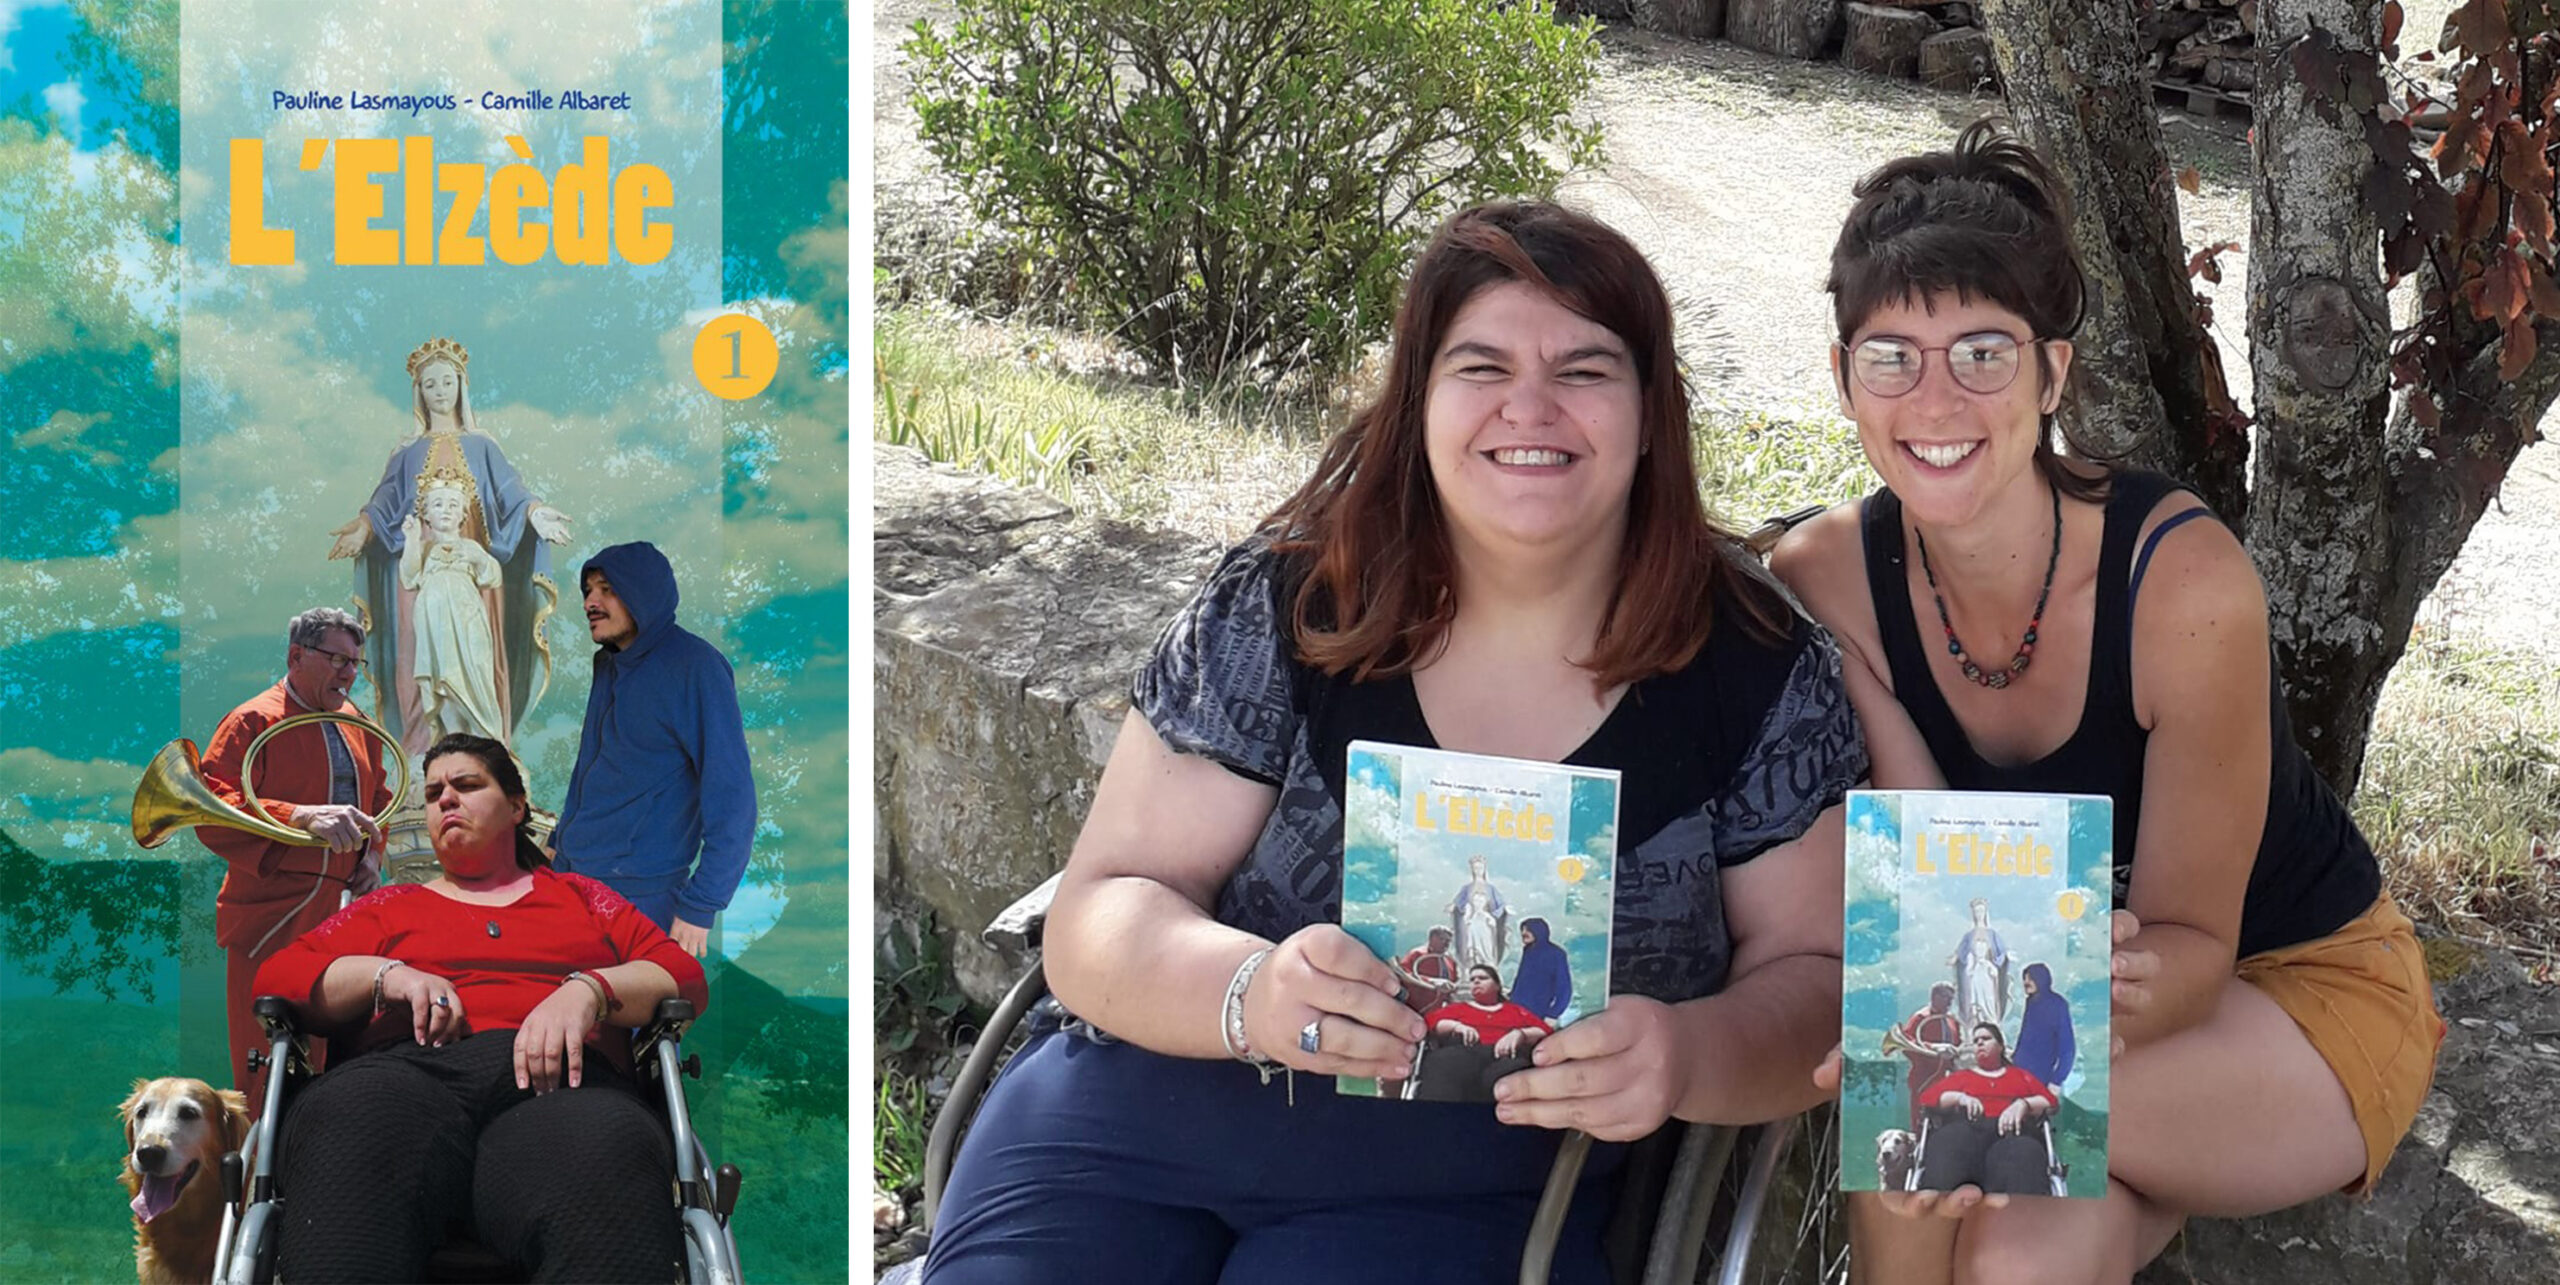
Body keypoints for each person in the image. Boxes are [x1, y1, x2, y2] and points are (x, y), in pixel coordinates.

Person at [924, 201, 1866, 1284]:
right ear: (1415, 401)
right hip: (1137, 1111)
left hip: (1468, 1190)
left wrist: (1689, 1055)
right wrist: (1252, 991)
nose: (1531, 405)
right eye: (1480, 366)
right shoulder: (1291, 600)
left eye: (1585, 369)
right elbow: (1100, 908)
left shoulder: (1748, 663)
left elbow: (1817, 977)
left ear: (1652, 411)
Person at [1774, 120, 2446, 1282]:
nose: (1934, 399)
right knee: (2010, 1240)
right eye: (1890, 355)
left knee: (1931, 1116)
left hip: (2278, 982)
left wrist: (1952, 1058)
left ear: (2053, 372)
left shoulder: (2181, 586)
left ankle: (2107, 1149)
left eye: (1983, 351)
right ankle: (2122, 1180)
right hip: (2044, 1017)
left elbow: (2188, 957)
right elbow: (1936, 865)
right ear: (1843, 378)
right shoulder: (1823, 579)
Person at [251, 732, 708, 1282]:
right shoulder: (388, 906)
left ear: (517, 807)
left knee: (604, 1143)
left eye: (466, 785)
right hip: (400, 1077)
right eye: (433, 791)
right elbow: (279, 978)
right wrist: (388, 975)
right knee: (353, 1118)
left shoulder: (583, 898)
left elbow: (680, 974)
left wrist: (587, 991)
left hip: (563, 1087)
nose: (445, 798)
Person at [329, 336, 571, 758]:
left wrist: (535, 513)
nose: (439, 392)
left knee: (475, 654)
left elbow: (511, 493)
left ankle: (483, 746)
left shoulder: (483, 446)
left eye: (446, 382)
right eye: (429, 385)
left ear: (461, 385)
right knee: (422, 651)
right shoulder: (406, 453)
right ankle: (423, 752)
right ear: (418, 394)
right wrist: (364, 527)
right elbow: (386, 501)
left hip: (472, 574)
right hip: (417, 571)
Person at [201, 607, 393, 1115]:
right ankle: (253, 1188)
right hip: (271, 915)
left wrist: (373, 855)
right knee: (265, 1067)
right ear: (295, 656)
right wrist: (300, 816)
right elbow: (211, 809)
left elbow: (380, 800)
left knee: (337, 1062)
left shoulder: (357, 722)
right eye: (336, 659)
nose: (349, 673)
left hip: (343, 913)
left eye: (356, 662)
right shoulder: (252, 720)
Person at [552, 541, 756, 956]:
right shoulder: (609, 664)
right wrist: (560, 839)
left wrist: (702, 904)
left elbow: (732, 798)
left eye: (606, 589)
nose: (591, 601)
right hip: (570, 880)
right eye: (588, 590)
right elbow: (595, 765)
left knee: (611, 1017)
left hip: (641, 897)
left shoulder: (695, 668)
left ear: (642, 592)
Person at [402, 473, 507, 741]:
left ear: (463, 514)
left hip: (467, 616)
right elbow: (409, 576)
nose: (445, 510)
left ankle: (487, 740)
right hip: (433, 622)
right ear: (426, 515)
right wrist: (412, 539)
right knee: (443, 678)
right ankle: (456, 740)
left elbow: (492, 576)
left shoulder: (470, 546)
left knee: (476, 672)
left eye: (452, 505)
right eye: (438, 504)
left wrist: (479, 559)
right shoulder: (423, 548)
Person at [1913, 1024, 2057, 1197]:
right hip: (1966, 1131)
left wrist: (2023, 1104)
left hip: (2012, 1134)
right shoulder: (1961, 1077)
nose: (1980, 1043)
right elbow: (1928, 1100)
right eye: (1976, 1041)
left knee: (2024, 1152)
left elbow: (2050, 1101)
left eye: (1986, 1039)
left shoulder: (2020, 1076)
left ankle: (2019, 1215)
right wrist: (1960, 1098)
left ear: (2000, 1046)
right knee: (1949, 1143)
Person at [1411, 965, 1557, 1102]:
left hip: (1505, 1057)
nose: (1476, 982)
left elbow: (1545, 1031)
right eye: (1473, 980)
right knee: (1443, 1062)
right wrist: (1456, 1026)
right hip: (1463, 1053)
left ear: (1497, 985)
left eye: (1482, 978)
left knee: (1514, 1074)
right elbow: (1430, 1024)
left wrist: (1520, 1034)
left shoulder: (1515, 1010)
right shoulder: (1458, 1008)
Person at [1884, 982, 1965, 1132]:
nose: (1949, 1002)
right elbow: (1908, 1045)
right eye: (1946, 997)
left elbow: (1958, 1044)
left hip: (1946, 1078)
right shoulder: (1920, 1017)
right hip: (1923, 1078)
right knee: (1920, 1120)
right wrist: (1933, 1047)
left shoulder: (1952, 1020)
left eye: (1951, 998)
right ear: (1934, 997)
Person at [2011, 962, 2076, 1090]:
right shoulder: (2031, 1002)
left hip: (2042, 1077)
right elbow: (2026, 1036)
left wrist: (2057, 1080)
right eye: (2024, 978)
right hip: (2019, 1073)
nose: (2026, 982)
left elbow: (2067, 1048)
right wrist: (2014, 1058)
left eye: (2030, 978)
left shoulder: (2057, 1004)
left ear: (2040, 979)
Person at [1949, 898, 2009, 1026]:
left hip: (1988, 974)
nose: (1979, 914)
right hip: (1974, 973)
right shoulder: (1969, 936)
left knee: (1988, 1001)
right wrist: (1957, 958)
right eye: (1976, 911)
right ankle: (1974, 1024)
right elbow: (1962, 953)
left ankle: (1991, 1024)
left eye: (1981, 911)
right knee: (1974, 1001)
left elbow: (2001, 954)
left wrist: (1999, 962)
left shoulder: (1992, 935)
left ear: (1985, 912)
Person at [1447, 853, 1511, 973]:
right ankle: (1472, 967)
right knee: (1472, 947)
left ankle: (1489, 968)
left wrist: (1501, 911)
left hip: (1486, 924)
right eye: (1475, 868)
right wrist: (1455, 907)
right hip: (1472, 922)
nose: (1478, 871)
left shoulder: (1490, 888)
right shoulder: (1467, 888)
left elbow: (1500, 905)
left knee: (1486, 948)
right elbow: (1459, 902)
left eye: (1480, 868)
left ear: (1484, 869)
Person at [1510, 916, 1573, 1024]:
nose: (1523, 933)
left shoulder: (1556, 954)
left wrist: (1553, 1014)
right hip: (1517, 1011)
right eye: (1523, 930)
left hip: (1540, 1014)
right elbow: (1522, 979)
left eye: (1528, 930)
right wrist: (1512, 997)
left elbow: (1564, 988)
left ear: (1538, 931)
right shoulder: (1528, 951)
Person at [1394, 926, 1461, 1016]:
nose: (1446, 944)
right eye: (1442, 939)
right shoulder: (1417, 954)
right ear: (1432, 938)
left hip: (1437, 1012)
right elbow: (1403, 975)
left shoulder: (1450, 960)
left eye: (1448, 941)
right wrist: (1431, 981)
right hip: (1414, 1009)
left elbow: (1454, 983)